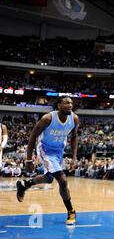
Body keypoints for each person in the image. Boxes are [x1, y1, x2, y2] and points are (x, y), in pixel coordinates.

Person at [16, 96, 79, 225]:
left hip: (59, 151)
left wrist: (74, 157)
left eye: (71, 103)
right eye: (66, 103)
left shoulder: (74, 118)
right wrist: (29, 160)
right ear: (59, 105)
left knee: (49, 179)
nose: (70, 105)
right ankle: (71, 211)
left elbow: (74, 137)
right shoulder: (48, 118)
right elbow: (33, 135)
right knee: (62, 180)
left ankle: (25, 185)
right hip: (45, 150)